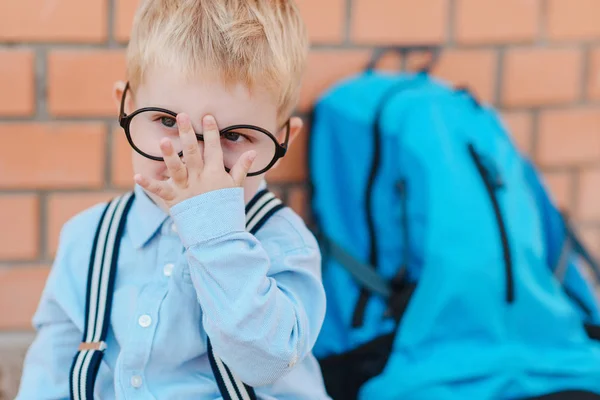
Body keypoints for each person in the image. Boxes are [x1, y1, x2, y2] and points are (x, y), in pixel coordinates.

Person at [16, 0, 330, 398]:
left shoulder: (285, 243)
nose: (192, 157)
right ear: (126, 108)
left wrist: (215, 233)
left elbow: (265, 361)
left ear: (283, 139)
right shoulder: (88, 238)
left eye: (233, 137)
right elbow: (53, 368)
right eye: (167, 122)